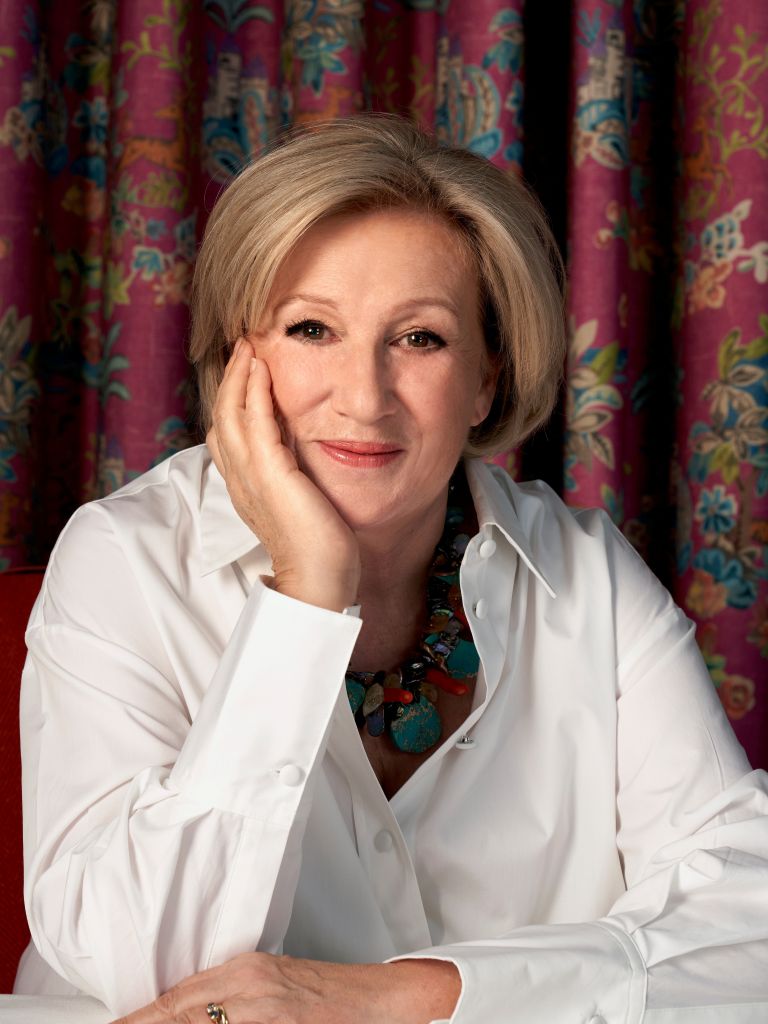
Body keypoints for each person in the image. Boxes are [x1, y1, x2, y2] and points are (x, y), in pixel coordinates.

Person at [15, 115, 768, 1024]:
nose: (364, 397)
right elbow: (143, 970)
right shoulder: (122, 560)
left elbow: (750, 926)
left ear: (487, 377)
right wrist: (304, 595)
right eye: (310, 329)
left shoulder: (588, 576)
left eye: (420, 340)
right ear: (238, 362)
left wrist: (398, 1000)